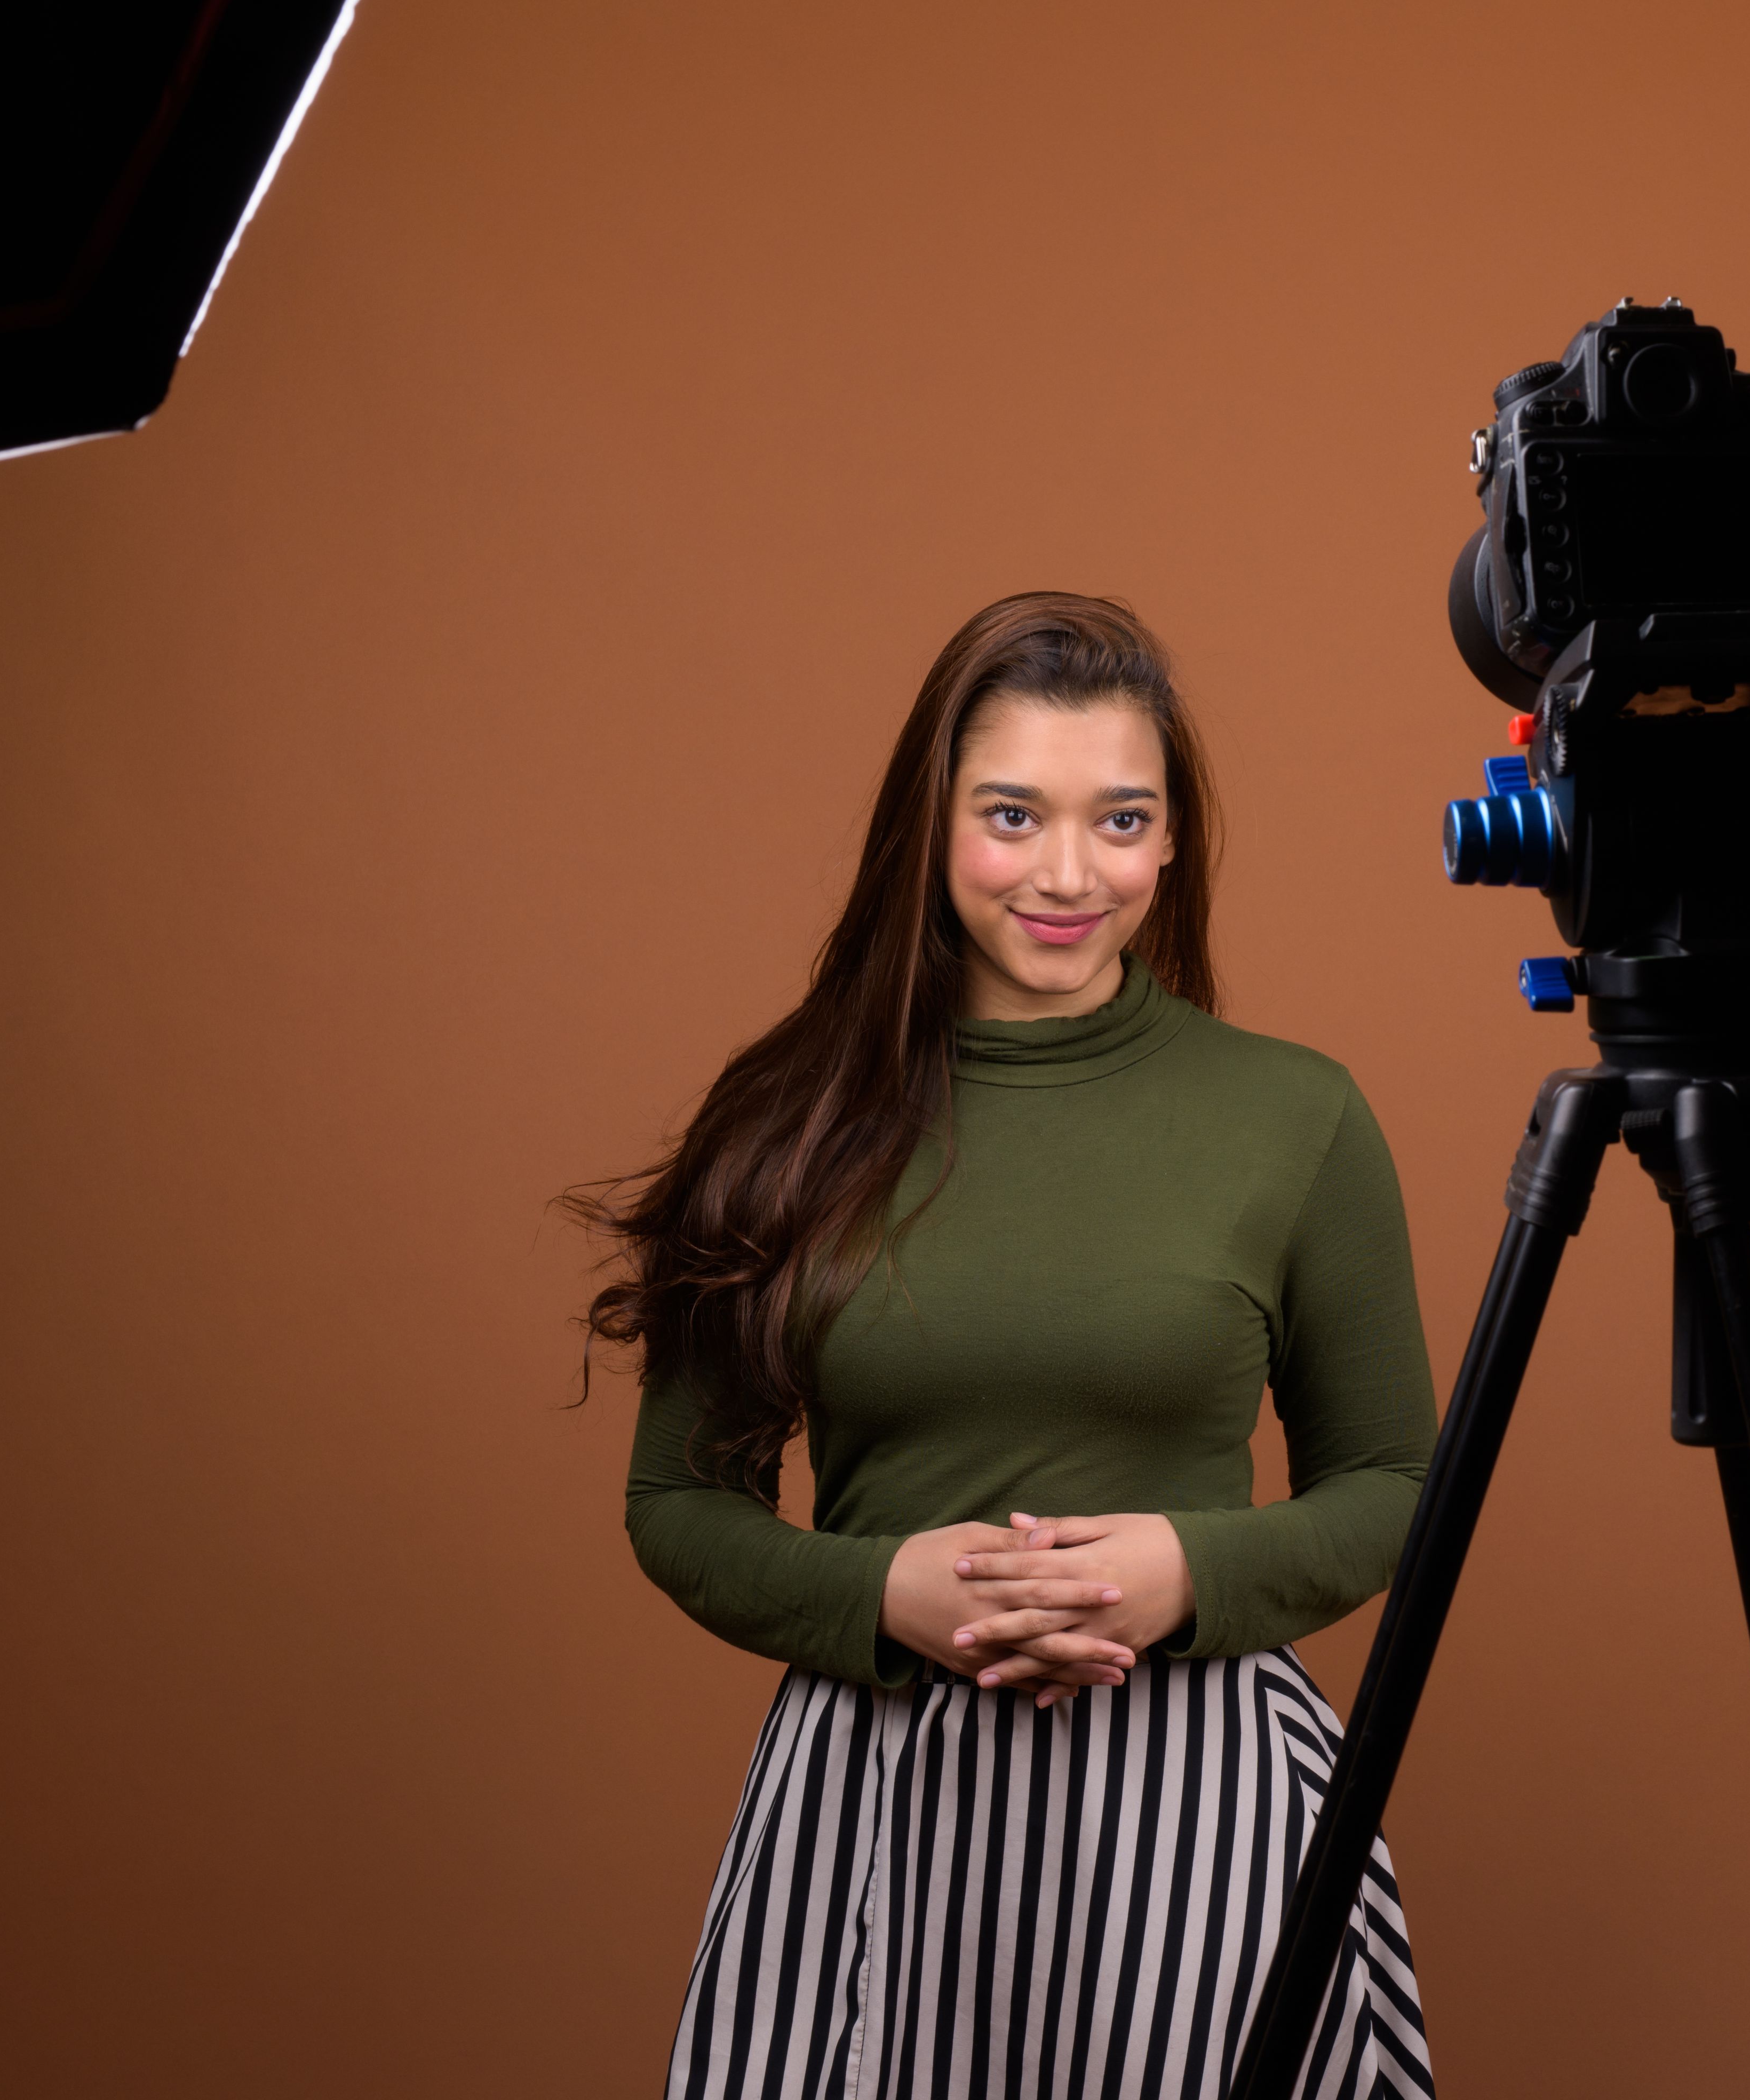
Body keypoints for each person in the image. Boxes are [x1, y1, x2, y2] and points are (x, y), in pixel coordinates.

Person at [579, 592, 1438, 2100]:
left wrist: (1187, 1572)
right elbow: (678, 1503)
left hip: (1204, 1806)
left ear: (1171, 841)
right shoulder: (788, 1111)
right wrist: (879, 1593)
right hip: (876, 1794)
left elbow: (1395, 1483)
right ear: (932, 827)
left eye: (1121, 820)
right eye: (1012, 815)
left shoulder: (1292, 1114)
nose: (1067, 875)